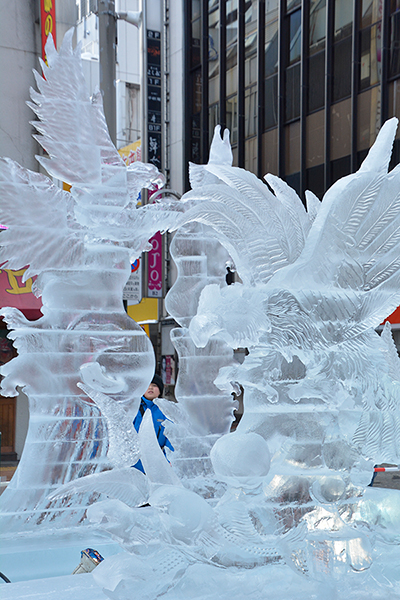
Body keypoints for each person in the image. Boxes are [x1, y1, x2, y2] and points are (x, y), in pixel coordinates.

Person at [132, 374, 174, 473]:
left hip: (158, 459)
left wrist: (169, 459)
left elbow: (172, 437)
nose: (150, 387)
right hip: (136, 460)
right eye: (148, 385)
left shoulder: (166, 411)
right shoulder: (134, 409)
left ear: (160, 390)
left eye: (154, 385)